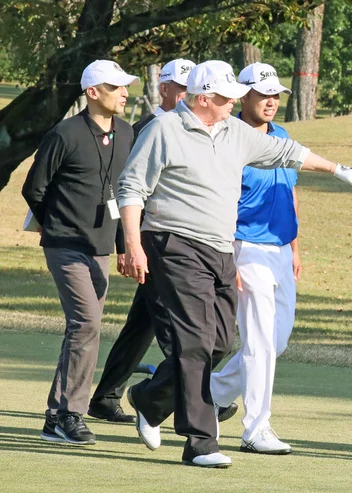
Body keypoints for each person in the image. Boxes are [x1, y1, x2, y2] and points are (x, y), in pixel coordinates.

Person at [117, 60, 352, 468]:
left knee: (219, 343)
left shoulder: (235, 133)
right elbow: (131, 186)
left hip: (220, 249)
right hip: (174, 243)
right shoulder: (165, 131)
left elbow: (287, 152)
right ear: (204, 98)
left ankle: (150, 397)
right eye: (228, 98)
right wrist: (132, 243)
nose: (234, 103)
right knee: (195, 341)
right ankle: (200, 442)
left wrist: (337, 169)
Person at [22, 60, 139, 445]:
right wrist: (57, 226)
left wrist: (124, 246)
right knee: (87, 325)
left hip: (102, 248)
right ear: (93, 92)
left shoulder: (125, 133)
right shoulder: (65, 133)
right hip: (65, 246)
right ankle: (72, 413)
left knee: (81, 330)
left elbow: (125, 195)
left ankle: (55, 416)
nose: (124, 93)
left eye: (125, 87)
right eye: (116, 87)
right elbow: (34, 189)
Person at [87, 58, 196, 424]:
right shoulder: (146, 128)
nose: (187, 94)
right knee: (171, 324)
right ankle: (193, 394)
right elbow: (124, 191)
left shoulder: (195, 128)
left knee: (142, 324)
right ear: (163, 89)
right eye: (180, 87)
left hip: (176, 240)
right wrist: (126, 243)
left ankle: (105, 397)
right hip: (151, 241)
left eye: (192, 87)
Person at [209, 63, 299, 455]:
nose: (271, 101)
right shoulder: (230, 139)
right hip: (246, 247)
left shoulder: (281, 136)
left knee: (274, 342)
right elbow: (221, 203)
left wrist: (295, 248)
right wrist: (228, 257)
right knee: (259, 342)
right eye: (263, 94)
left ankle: (206, 394)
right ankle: (255, 429)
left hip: (281, 249)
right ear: (241, 96)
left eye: (275, 94)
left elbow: (291, 194)